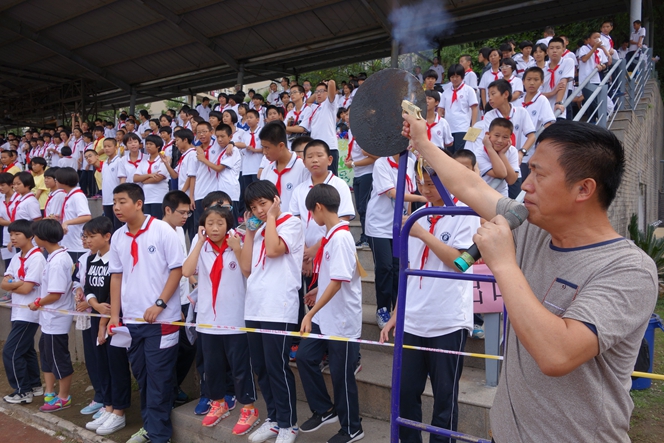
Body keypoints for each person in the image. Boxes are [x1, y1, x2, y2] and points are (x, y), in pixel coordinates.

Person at [402, 114, 658, 443]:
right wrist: (422, 142)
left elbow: (556, 355)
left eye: (539, 174)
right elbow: (470, 186)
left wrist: (504, 264)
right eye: (529, 171)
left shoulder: (629, 269)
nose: (525, 185)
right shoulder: (532, 227)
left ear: (584, 189)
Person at [380, 160, 480, 443]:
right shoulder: (419, 214)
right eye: (421, 183)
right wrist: (397, 313)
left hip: (447, 321)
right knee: (405, 393)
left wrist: (422, 234)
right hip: (413, 319)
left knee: (445, 398)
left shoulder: (465, 213)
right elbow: (407, 270)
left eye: (431, 183)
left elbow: (461, 262)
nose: (425, 189)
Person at [107, 183, 184, 443]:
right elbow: (116, 276)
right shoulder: (118, 237)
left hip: (163, 320)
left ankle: (159, 435)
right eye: (114, 202)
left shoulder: (162, 230)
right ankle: (150, 427)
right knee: (142, 376)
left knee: (159, 378)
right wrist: (115, 315)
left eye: (122, 201)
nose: (116, 207)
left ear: (139, 203)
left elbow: (177, 270)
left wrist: (159, 304)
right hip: (132, 321)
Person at [183, 206, 259, 434]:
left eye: (220, 223)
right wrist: (198, 242)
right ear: (203, 227)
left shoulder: (238, 243)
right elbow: (187, 271)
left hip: (235, 320)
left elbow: (248, 271)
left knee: (240, 367)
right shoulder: (202, 247)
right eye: (210, 224)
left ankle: (249, 408)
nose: (215, 228)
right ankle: (218, 403)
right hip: (208, 320)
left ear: (228, 225)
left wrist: (237, 248)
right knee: (212, 367)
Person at [297, 184, 364, 443]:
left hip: (341, 319)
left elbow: (338, 282)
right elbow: (333, 277)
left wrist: (309, 313)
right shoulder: (331, 236)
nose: (312, 218)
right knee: (305, 357)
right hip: (326, 316)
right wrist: (317, 290)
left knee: (341, 375)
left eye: (311, 212)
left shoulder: (340, 238)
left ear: (319, 208)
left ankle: (352, 427)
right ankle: (325, 409)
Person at [239, 180, 304, 443]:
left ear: (276, 200)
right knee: (261, 367)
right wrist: (250, 233)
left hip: (279, 307)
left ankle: (289, 424)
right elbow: (246, 268)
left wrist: (272, 218)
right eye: (253, 207)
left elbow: (275, 250)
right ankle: (275, 419)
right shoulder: (259, 229)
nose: (259, 210)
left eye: (263, 204)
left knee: (277, 367)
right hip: (255, 305)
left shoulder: (291, 223)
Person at [80, 217, 132, 436]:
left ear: (107, 236)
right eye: (85, 236)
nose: (88, 240)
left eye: (92, 236)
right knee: (102, 364)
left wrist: (104, 319)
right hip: (97, 318)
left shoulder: (116, 260)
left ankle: (119, 411)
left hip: (114, 321)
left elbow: (114, 295)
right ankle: (108, 406)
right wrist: (94, 304)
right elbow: (88, 289)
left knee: (116, 365)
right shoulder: (92, 259)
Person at [366, 153, 425, 328]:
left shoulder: (411, 162)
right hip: (378, 225)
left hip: (399, 224)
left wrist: (408, 218)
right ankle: (382, 308)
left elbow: (409, 192)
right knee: (385, 267)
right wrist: (421, 198)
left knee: (398, 267)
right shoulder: (381, 163)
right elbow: (393, 193)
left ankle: (397, 310)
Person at [29, 219, 74, 412]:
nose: (33, 238)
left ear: (43, 237)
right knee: (47, 354)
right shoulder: (54, 257)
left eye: (35, 235)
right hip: (49, 318)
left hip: (56, 318)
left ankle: (64, 397)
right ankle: (50, 391)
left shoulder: (57, 261)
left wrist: (38, 302)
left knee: (58, 358)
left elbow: (56, 293)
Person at [1, 220, 46, 404]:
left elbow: (27, 289)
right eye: (11, 234)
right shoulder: (16, 257)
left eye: (17, 234)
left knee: (10, 351)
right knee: (26, 349)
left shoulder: (37, 258)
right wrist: (18, 283)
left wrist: (14, 283)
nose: (13, 237)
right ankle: (34, 385)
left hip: (29, 312)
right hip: (17, 310)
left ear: (30, 236)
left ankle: (22, 390)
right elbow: (4, 283)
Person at [514, 67, 556, 179]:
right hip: (514, 149)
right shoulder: (518, 101)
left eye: (536, 79)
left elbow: (548, 124)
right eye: (529, 79)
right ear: (523, 81)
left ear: (542, 82)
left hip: (529, 151)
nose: (532, 83)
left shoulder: (542, 100)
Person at [260, 122, 309, 213]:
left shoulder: (303, 168)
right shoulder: (266, 171)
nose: (264, 152)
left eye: (267, 147)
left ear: (281, 146)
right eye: (263, 147)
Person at [343, 111, 375, 249]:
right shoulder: (351, 132)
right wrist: (351, 160)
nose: (347, 117)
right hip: (357, 174)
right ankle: (365, 236)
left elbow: (373, 158)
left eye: (351, 114)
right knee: (360, 208)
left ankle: (367, 237)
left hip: (367, 173)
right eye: (346, 114)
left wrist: (354, 163)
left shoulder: (365, 133)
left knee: (364, 207)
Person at [55, 167, 92, 263]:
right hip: (69, 243)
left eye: (57, 179)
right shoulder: (70, 195)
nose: (55, 181)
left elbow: (86, 216)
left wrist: (67, 222)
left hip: (76, 245)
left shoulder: (77, 196)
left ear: (63, 180)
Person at [440, 64, 479, 153]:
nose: (454, 79)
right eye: (452, 77)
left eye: (457, 76)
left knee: (459, 153)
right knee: (449, 153)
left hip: (462, 127)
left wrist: (473, 126)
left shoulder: (469, 90)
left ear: (462, 76)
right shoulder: (446, 92)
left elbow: (474, 108)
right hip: (449, 128)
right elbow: (440, 109)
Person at [133, 135, 169, 218]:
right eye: (147, 144)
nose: (148, 146)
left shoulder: (162, 160)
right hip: (146, 198)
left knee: (158, 221)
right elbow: (135, 178)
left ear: (158, 146)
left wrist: (143, 180)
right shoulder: (144, 161)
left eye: (151, 144)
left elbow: (158, 178)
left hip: (159, 198)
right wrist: (149, 175)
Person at [541, 37, 574, 119]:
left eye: (558, 48)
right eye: (551, 48)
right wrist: (552, 93)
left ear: (563, 50)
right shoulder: (542, 70)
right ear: (547, 51)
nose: (554, 51)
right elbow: (538, 94)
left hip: (558, 109)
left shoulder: (567, 62)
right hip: (543, 110)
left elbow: (563, 82)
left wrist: (558, 103)